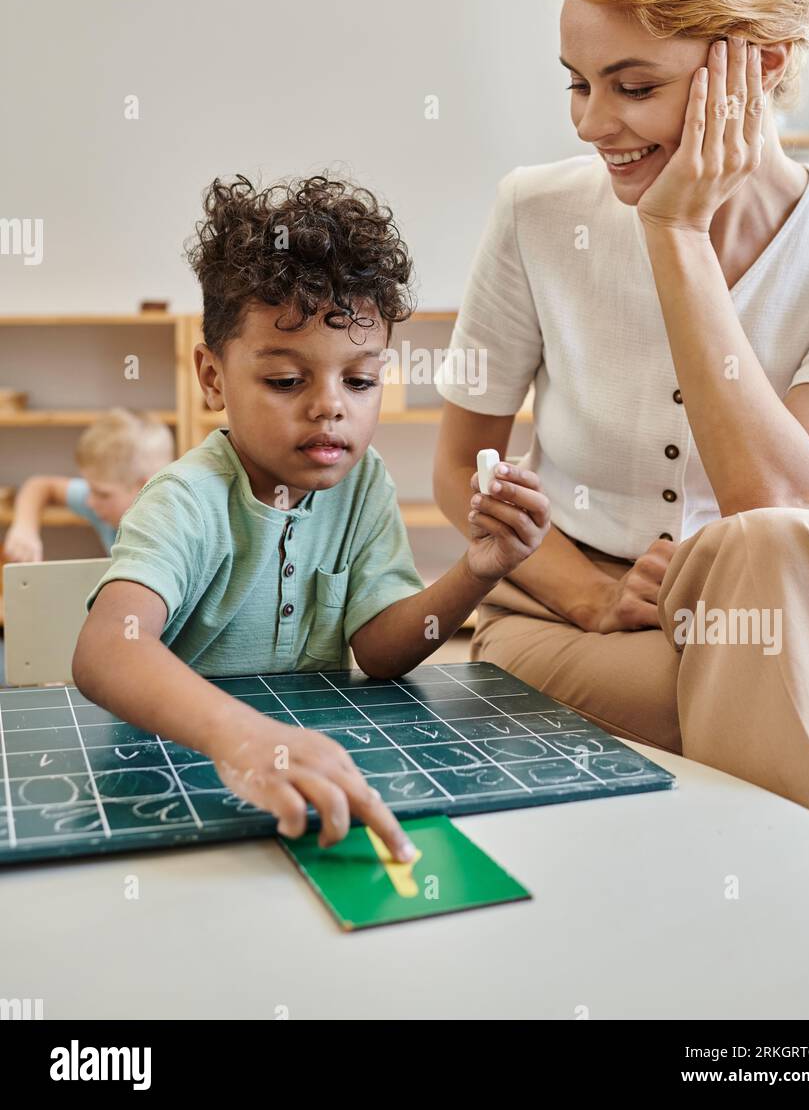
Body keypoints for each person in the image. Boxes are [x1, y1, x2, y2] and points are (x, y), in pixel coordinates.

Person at [433, 0, 809, 840]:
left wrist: (675, 237)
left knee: (776, 547)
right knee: (803, 701)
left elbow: (773, 497)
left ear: (756, 63)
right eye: (577, 85)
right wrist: (584, 594)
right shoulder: (536, 213)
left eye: (632, 86)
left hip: (766, 615)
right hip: (566, 627)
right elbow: (460, 462)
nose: (592, 124)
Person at [73, 174, 550, 859]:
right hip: (180, 773)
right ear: (212, 379)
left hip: (309, 767)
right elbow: (106, 651)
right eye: (287, 381)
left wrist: (480, 571)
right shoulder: (187, 498)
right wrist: (246, 738)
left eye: (359, 381)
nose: (331, 407)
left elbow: (381, 650)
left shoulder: (364, 485)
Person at [3, 408, 174, 562]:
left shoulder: (174, 531)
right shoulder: (104, 498)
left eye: (102, 494)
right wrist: (25, 528)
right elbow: (40, 485)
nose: (90, 501)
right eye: (91, 489)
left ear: (145, 489)